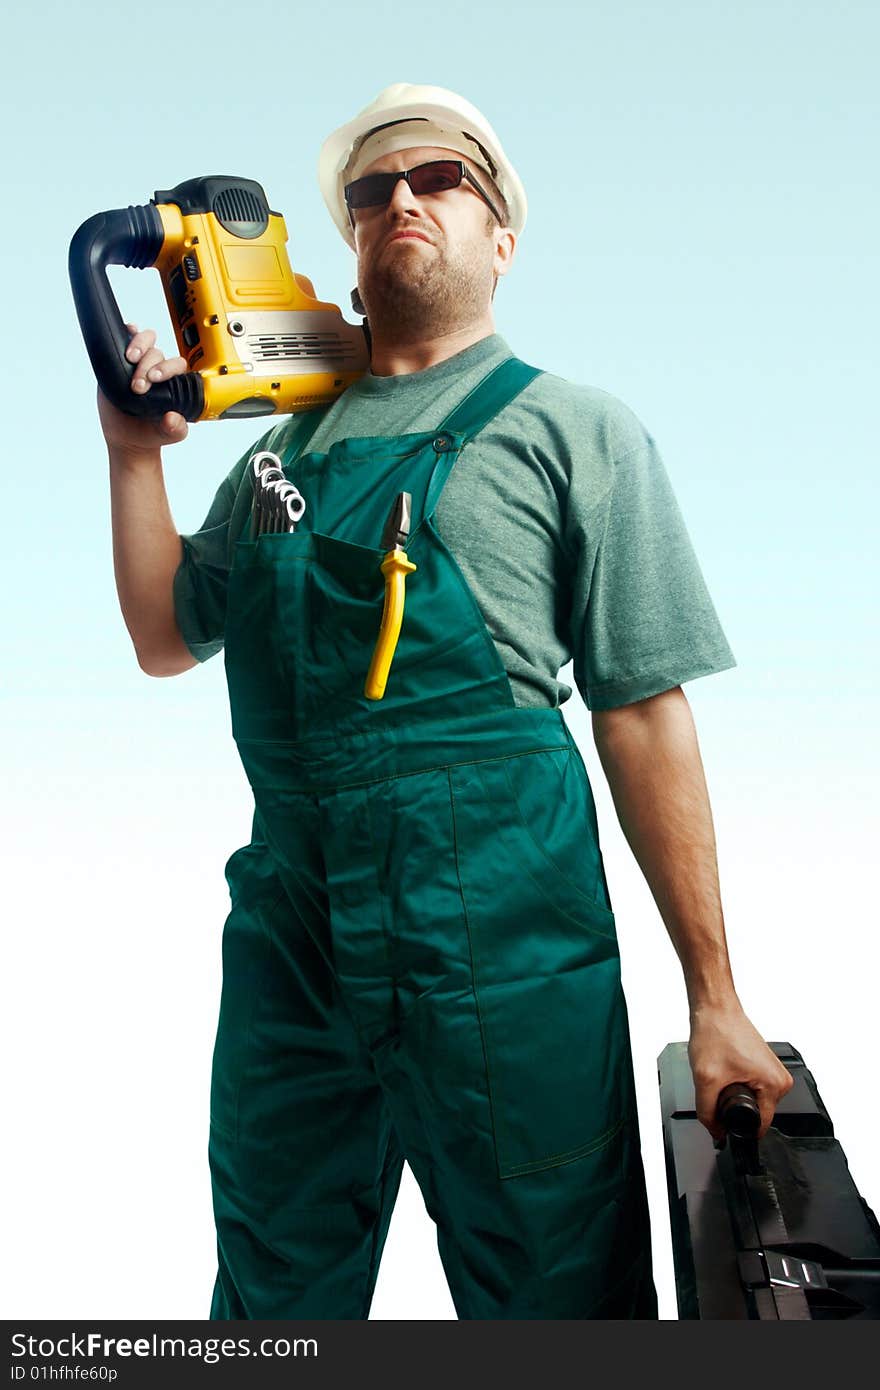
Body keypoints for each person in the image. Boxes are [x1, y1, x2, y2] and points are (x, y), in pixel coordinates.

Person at [98, 82, 794, 1319]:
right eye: (369, 193)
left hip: (501, 945)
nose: (399, 201)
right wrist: (135, 455)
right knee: (272, 1292)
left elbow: (641, 713)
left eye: (437, 179)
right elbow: (165, 634)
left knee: (555, 1287)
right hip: (293, 944)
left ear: (501, 237)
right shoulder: (276, 454)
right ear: (351, 252)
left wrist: (716, 996)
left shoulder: (576, 429)